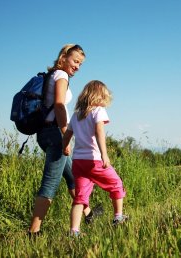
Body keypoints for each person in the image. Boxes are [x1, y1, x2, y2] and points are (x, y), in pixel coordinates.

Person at [29, 44, 95, 235]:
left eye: (80, 64)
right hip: (55, 134)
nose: (77, 66)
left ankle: (88, 214)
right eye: (75, 61)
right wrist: (66, 132)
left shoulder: (51, 75)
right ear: (64, 57)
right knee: (50, 183)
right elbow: (59, 105)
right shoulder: (61, 76)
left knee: (72, 177)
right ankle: (34, 231)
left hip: (45, 132)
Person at [62, 80, 127, 236]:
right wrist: (104, 154)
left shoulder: (76, 115)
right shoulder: (98, 110)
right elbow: (99, 131)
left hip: (78, 162)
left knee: (80, 198)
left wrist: (64, 146)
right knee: (116, 184)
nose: (105, 102)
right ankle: (118, 217)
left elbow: (67, 134)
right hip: (94, 160)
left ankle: (74, 232)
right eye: (104, 98)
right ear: (97, 97)